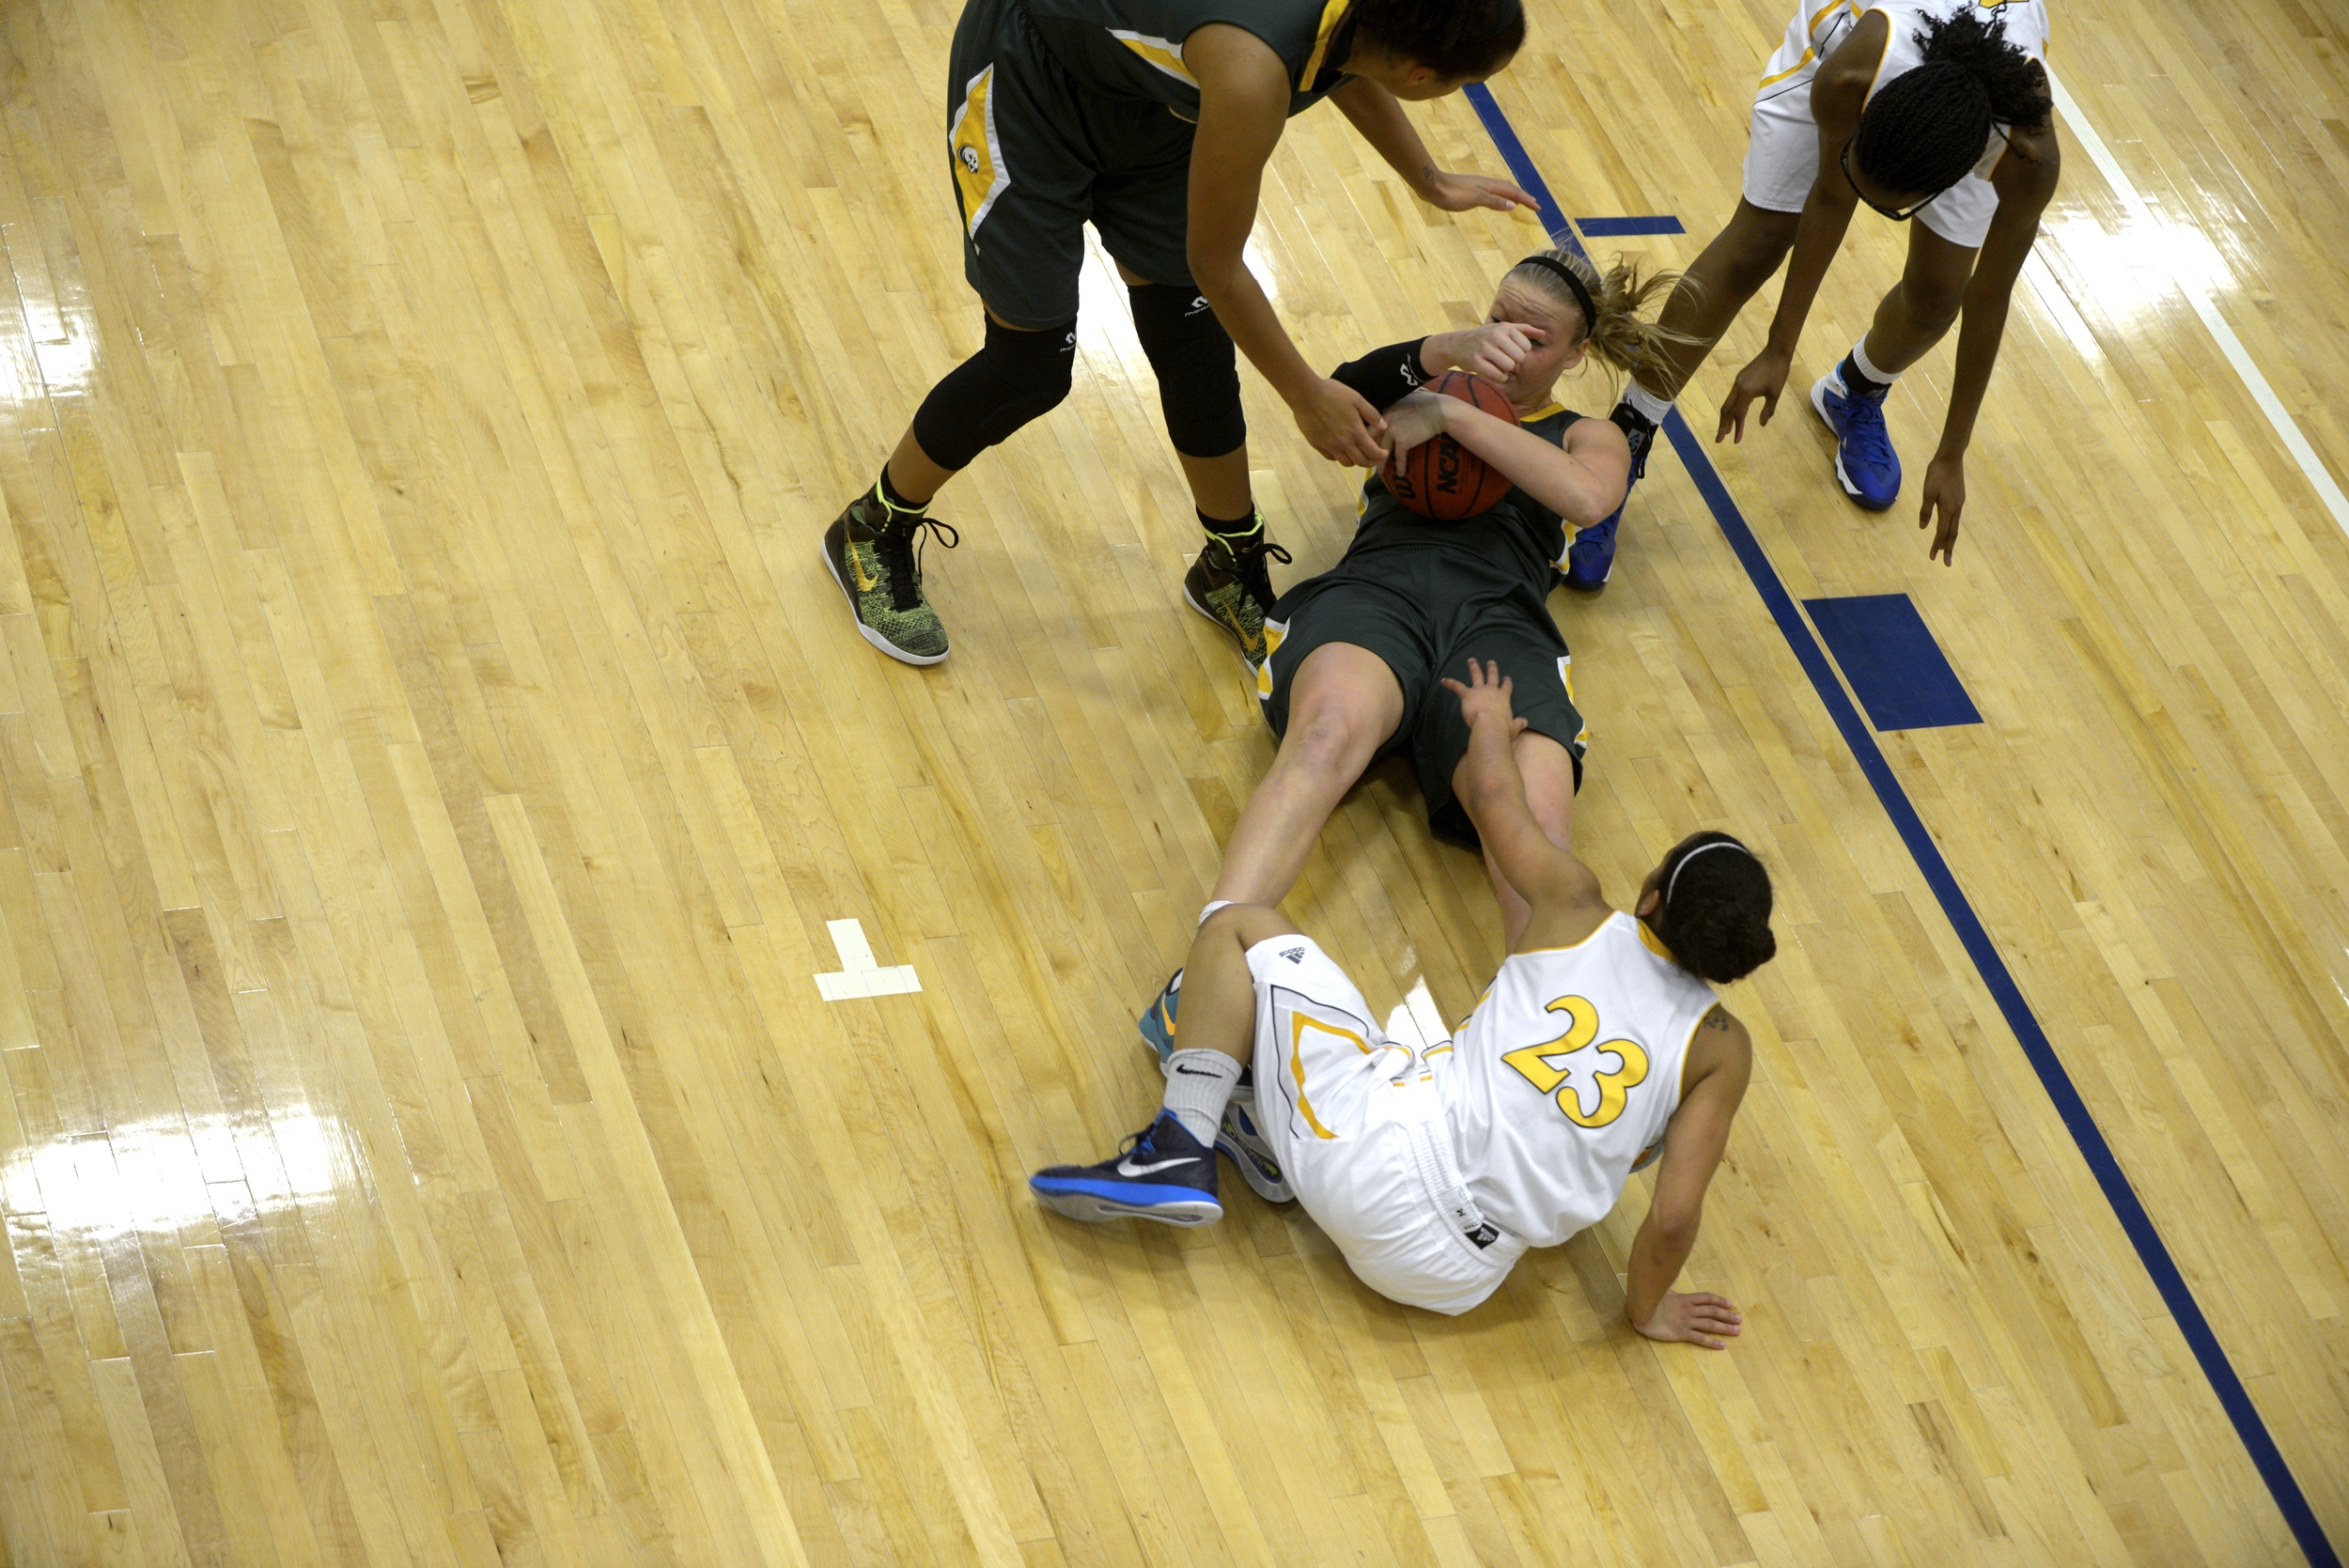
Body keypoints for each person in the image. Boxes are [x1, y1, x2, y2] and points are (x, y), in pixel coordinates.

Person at [1120, 246, 1683, 1202]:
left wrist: (1456, 414)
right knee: (1328, 735)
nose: (1508, 340)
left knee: (1537, 834)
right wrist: (1440, 360)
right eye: (1499, 314)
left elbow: (1588, 502)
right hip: (1377, 594)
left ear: (1577, 350)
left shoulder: (1592, 434)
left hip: (1497, 623)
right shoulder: (1421, 371)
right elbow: (1332, 396)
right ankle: (1200, 988)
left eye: (1534, 334)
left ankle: (1544, 1073)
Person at [1032, 660, 1776, 1332]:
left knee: (1236, 930)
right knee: (1643, 1128)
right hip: (1459, 1279)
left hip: (1373, 1166)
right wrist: (1648, 1312)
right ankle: (1261, 1128)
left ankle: (1180, 1143)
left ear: (1649, 899)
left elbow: (1491, 795)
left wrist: (1487, 722)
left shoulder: (1576, 905)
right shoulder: (1721, 1049)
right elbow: (1674, 1217)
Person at [820, 0, 1539, 666]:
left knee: (1189, 331)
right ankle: (871, 526)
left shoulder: (1352, 22)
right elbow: (1217, 263)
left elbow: (1342, 66)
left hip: (1152, 98)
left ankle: (1229, 560)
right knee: (1030, 363)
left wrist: (1427, 177)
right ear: (1421, 75)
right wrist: (1305, 392)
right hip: (1029, 84)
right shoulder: (1252, 72)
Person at [1571, 0, 2058, 588]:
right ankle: (1628, 435)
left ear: (1950, 179)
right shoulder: (1849, 77)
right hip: (1848, 41)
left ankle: (1853, 390)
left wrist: (1952, 452)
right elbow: (1831, 194)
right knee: (1761, 238)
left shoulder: (2025, 154)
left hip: (1966, 112)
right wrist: (1780, 346)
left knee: (1938, 297)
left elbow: (1990, 299)